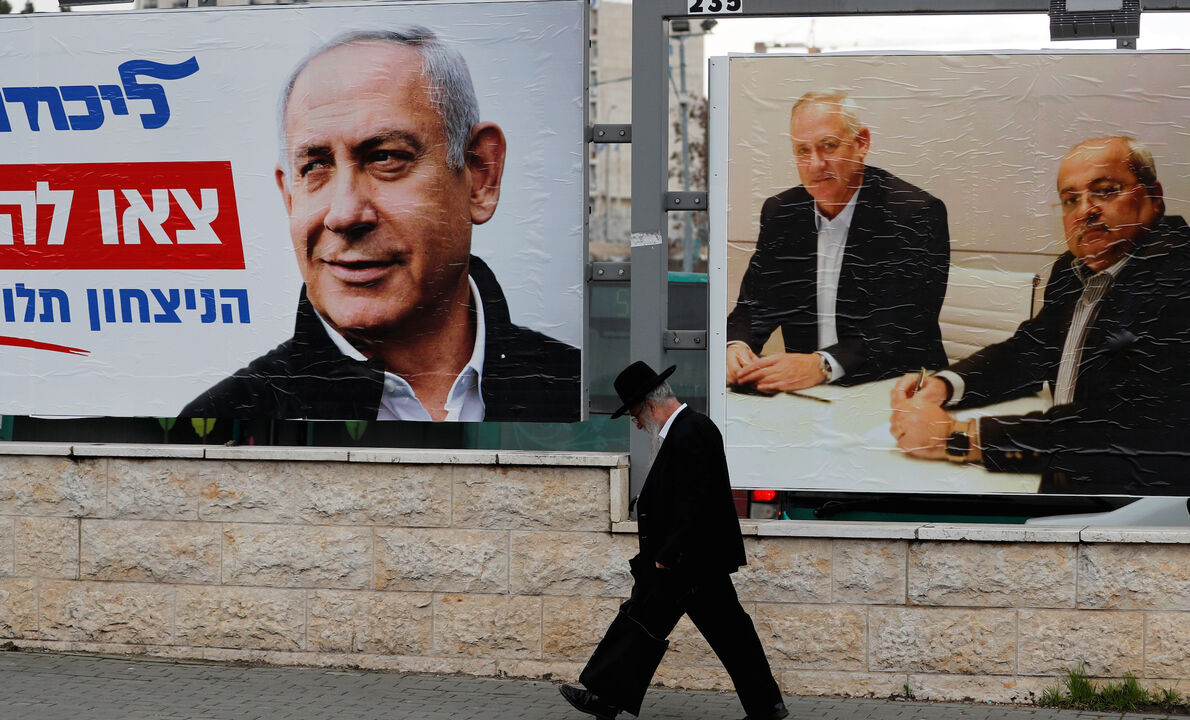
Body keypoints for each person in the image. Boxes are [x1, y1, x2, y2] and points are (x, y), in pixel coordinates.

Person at [182, 28, 579, 422]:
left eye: (385, 157)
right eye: (315, 166)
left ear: (479, 174)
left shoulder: (581, 396)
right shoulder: (222, 424)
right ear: (290, 197)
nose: (344, 214)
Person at [890, 136, 1190, 496]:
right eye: (1070, 199)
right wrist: (946, 384)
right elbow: (1030, 349)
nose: (1085, 210)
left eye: (1105, 191)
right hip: (1077, 474)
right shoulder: (1074, 270)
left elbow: (1125, 431)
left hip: (1154, 504)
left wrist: (960, 436)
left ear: (1153, 198)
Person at [559, 361, 788, 720]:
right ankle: (766, 706)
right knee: (656, 624)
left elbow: (697, 500)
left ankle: (604, 698)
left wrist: (669, 552)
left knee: (660, 625)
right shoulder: (683, 431)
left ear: (649, 404)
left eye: (634, 413)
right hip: (687, 561)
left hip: (688, 562)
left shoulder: (692, 430)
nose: (635, 423)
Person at [726, 90, 949, 393]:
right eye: (803, 150)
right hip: (808, 394)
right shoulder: (783, 213)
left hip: (893, 390)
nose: (816, 164)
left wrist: (823, 364)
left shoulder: (913, 215)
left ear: (862, 143)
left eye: (828, 146)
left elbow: (898, 328)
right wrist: (735, 346)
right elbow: (755, 306)